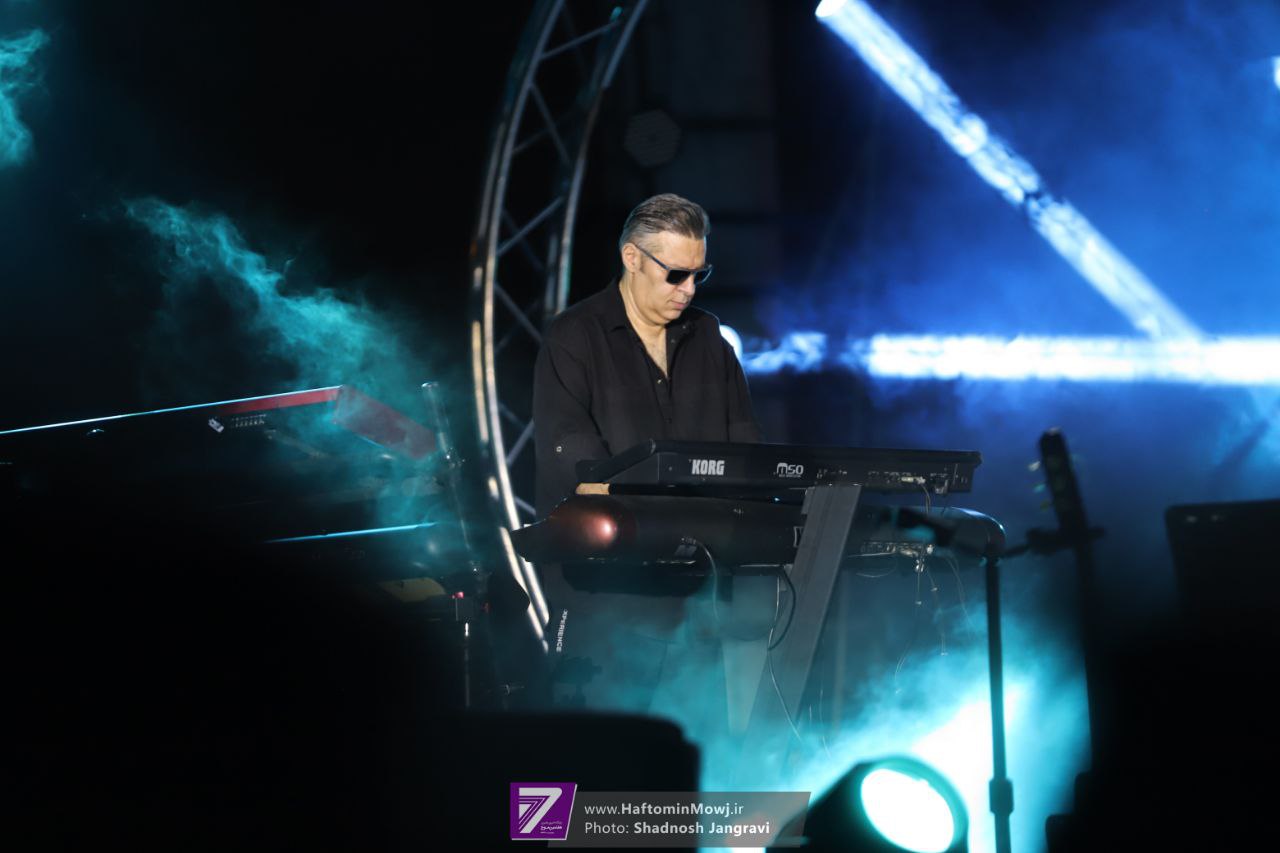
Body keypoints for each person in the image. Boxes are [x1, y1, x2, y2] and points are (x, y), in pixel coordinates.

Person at [531, 193, 763, 721]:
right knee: (591, 755)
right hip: (606, 601)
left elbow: (746, 456)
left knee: (692, 757)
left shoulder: (710, 339)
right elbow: (580, 469)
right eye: (675, 274)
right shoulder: (575, 338)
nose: (688, 290)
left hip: (699, 603)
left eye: (699, 275)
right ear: (632, 258)